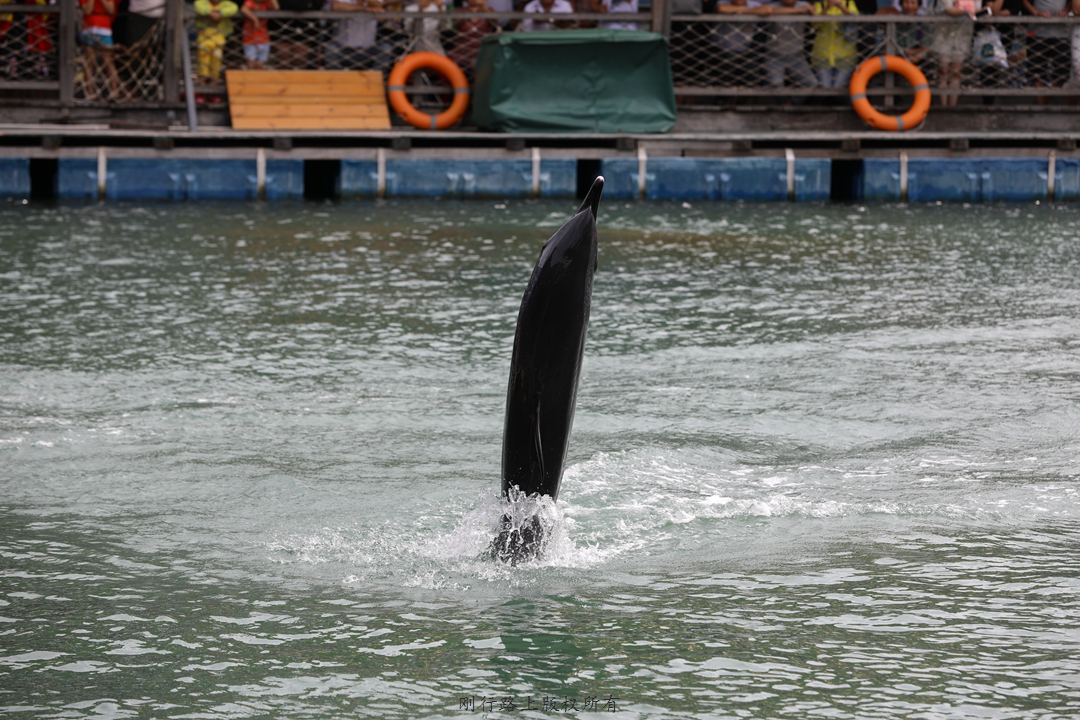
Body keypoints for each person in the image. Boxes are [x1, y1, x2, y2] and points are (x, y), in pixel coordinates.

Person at [1023, 0, 1072, 103]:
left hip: (1060, 33)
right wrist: (1036, 12)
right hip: (1036, 33)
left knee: (1063, 73)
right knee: (1036, 74)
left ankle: (1043, 104)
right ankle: (1041, 109)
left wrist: (1066, 10)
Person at [763, 0, 818, 91]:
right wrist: (799, 11)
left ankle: (793, 102)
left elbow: (813, 10)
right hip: (774, 56)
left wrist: (809, 8)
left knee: (812, 83)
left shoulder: (803, 5)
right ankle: (782, 104)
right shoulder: (771, 6)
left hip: (797, 56)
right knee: (776, 84)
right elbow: (770, 11)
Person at [714, 0, 771, 87]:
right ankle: (721, 97)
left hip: (745, 51)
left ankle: (743, 100)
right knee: (728, 64)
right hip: (722, 51)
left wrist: (741, 12)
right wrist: (751, 12)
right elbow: (721, 8)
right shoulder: (723, 2)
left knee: (754, 78)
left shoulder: (753, 4)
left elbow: (767, 10)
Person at [930, 0, 975, 106]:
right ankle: (943, 105)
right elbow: (948, 10)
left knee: (956, 73)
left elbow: (976, 9)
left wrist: (981, 11)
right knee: (943, 71)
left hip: (963, 35)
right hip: (943, 35)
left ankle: (953, 105)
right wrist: (965, 11)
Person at [325, 0, 390, 71]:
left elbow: (379, 5)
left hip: (368, 51)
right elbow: (336, 6)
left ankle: (376, 81)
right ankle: (336, 81)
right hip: (343, 50)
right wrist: (364, 8)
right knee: (330, 48)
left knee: (386, 48)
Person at [811, 0, 859, 90]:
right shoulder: (820, 3)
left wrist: (841, 6)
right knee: (825, 88)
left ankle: (849, 103)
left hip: (845, 56)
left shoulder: (849, 2)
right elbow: (814, 24)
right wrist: (826, 8)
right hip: (823, 56)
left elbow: (855, 20)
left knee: (839, 88)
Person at [79, 0, 121, 99]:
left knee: (108, 61)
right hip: (89, 27)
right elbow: (87, 10)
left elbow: (111, 10)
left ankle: (114, 91)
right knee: (90, 61)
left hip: (104, 28)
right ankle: (89, 91)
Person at [194, 0, 238, 84]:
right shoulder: (204, 3)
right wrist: (209, 13)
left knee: (216, 64)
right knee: (203, 63)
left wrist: (220, 13)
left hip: (218, 41)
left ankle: (213, 87)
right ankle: (202, 86)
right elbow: (197, 5)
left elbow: (234, 8)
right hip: (204, 40)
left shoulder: (225, 4)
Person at [448, 0, 497, 72]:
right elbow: (458, 22)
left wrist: (484, 7)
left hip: (483, 52)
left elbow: (495, 22)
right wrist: (470, 12)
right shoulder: (460, 10)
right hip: (462, 52)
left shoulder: (489, 11)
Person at [241, 0, 279, 68]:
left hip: (263, 38)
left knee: (260, 65)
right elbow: (243, 9)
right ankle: (251, 78)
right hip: (249, 38)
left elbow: (276, 8)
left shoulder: (266, 3)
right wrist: (255, 19)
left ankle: (258, 78)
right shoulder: (250, 2)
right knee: (251, 63)